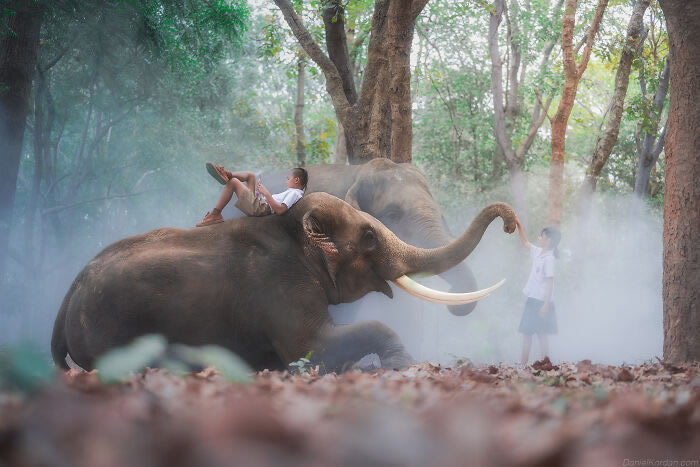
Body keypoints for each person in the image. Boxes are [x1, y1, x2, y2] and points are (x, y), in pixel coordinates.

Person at [196, 163, 308, 227]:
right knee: (251, 176)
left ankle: (216, 214)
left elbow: (280, 210)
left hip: (261, 208)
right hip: (261, 204)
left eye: (288, 179)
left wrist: (267, 194)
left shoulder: (294, 193)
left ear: (297, 180)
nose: (286, 181)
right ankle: (226, 174)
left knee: (233, 182)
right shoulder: (294, 193)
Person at [514, 219, 561, 365]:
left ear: (548, 240)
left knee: (542, 334)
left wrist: (546, 305)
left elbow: (549, 283)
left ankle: (546, 364)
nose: (539, 238)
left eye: (542, 236)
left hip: (542, 302)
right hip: (532, 299)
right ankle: (523, 364)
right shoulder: (538, 252)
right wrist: (519, 225)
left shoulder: (550, 259)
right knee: (527, 333)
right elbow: (526, 243)